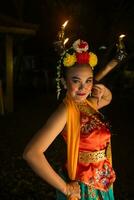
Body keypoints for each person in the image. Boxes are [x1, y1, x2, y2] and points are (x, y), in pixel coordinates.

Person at [23, 39, 118, 200]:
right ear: (64, 83)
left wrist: (102, 89)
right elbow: (31, 154)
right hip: (84, 188)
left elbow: (107, 99)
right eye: (76, 81)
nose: (83, 88)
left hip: (104, 181)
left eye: (88, 81)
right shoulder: (66, 111)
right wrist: (65, 188)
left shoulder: (87, 104)